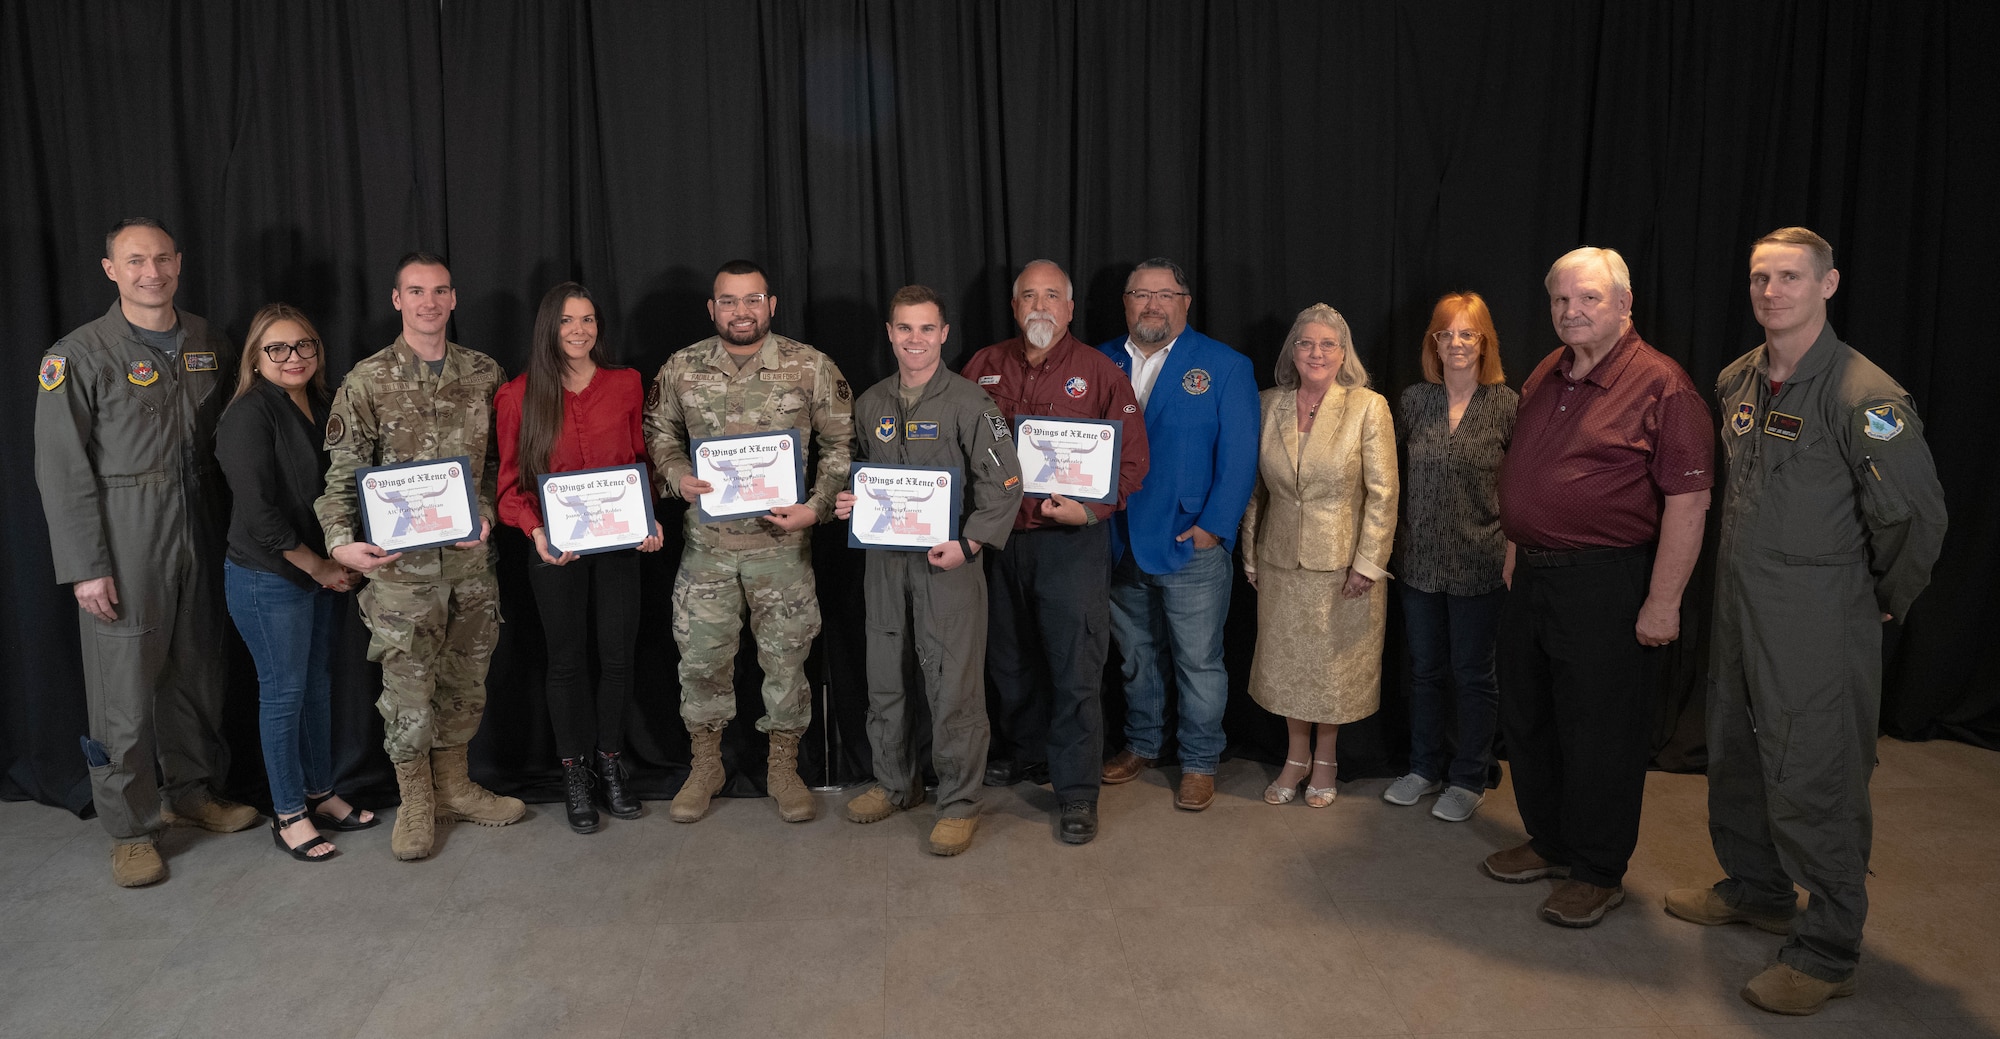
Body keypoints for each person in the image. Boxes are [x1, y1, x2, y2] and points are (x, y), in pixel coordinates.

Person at [1665, 228, 1946, 1015]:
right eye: (1760, 276)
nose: (1771, 291)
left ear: (1827, 285)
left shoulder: (1865, 396)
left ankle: (1828, 947)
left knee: (1813, 768)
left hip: (1820, 615)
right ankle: (1757, 886)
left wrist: (1882, 594)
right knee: (1736, 746)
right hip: (1741, 602)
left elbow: (1915, 518)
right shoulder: (1737, 381)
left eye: (1790, 276)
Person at [1490, 246, 1712, 927]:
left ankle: (1597, 869)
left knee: (1600, 733)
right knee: (1530, 717)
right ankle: (1552, 840)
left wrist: (1664, 600)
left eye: (1587, 298)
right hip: (1532, 574)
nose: (1571, 310)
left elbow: (1689, 501)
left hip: (1608, 582)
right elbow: (1524, 469)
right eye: (1561, 299)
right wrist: (1512, 544)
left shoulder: (1662, 386)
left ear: (1624, 303)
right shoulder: (1548, 371)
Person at [35, 218, 259, 888]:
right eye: (135, 261)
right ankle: (131, 827)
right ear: (111, 270)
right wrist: (85, 565)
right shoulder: (76, 355)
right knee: (123, 694)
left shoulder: (206, 341)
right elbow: (61, 467)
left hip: (200, 517)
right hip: (124, 529)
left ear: (179, 263)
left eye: (162, 259)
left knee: (198, 669)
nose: (151, 272)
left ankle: (192, 791)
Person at [316, 251, 524, 862]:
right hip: (400, 574)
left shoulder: (486, 373)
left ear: (453, 299)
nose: (429, 302)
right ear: (396, 300)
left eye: (439, 291)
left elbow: (496, 467)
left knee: (464, 683)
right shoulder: (368, 379)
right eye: (416, 291)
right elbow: (342, 474)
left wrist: (485, 513)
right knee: (407, 691)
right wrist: (337, 542)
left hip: (468, 567)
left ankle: (454, 787)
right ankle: (415, 802)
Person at [643, 259, 854, 825]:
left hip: (782, 551)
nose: (741, 312)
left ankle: (783, 768)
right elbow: (658, 432)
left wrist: (815, 508)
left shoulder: (810, 368)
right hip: (707, 551)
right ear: (712, 308)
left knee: (787, 664)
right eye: (729, 301)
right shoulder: (682, 368)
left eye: (752, 300)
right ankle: (706, 764)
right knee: (702, 663)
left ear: (772, 304)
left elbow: (840, 446)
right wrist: (675, 475)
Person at [963, 259, 1149, 844]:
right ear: (1014, 307)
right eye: (1027, 296)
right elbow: (954, 446)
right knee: (1008, 662)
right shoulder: (983, 368)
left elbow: (1133, 461)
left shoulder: (1100, 373)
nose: (1039, 306)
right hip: (998, 542)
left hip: (1070, 544)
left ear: (1070, 309)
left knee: (1075, 669)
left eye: (1052, 296)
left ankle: (1075, 791)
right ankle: (1028, 754)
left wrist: (1092, 510)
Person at [833, 285, 1023, 855]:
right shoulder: (869, 404)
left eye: (926, 329)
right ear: (890, 334)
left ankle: (959, 802)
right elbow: (863, 480)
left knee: (952, 688)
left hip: (949, 567)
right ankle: (896, 784)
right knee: (886, 678)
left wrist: (969, 545)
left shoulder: (970, 404)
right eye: (904, 329)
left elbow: (1006, 486)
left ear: (944, 334)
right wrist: (850, 502)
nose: (914, 340)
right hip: (885, 568)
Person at [496, 283, 665, 835]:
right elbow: (508, 490)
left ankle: (612, 763)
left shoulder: (626, 384)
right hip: (556, 550)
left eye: (589, 319)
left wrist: (648, 518)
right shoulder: (518, 396)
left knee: (618, 658)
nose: (579, 330)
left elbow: (643, 464)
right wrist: (536, 532)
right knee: (566, 661)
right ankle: (575, 773)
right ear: (549, 326)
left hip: (619, 547)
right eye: (568, 320)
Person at [1094, 258, 1259, 811]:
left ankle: (1199, 760)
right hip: (1118, 540)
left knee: (1198, 661)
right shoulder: (1099, 361)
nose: (1152, 304)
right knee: (1136, 656)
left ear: (1186, 301)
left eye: (1165, 294)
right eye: (1141, 293)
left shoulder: (1225, 366)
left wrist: (1214, 528)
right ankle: (1142, 743)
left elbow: (1238, 459)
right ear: (1126, 302)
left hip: (1190, 541)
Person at [215, 304, 374, 862]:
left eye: (304, 345)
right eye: (277, 349)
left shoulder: (328, 405)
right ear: (256, 359)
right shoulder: (247, 415)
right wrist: (321, 566)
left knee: (317, 688)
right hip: (270, 578)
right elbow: (259, 515)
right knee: (283, 695)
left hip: (323, 573)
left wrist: (345, 556)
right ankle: (287, 814)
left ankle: (320, 792)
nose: (293, 358)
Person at [1239, 304, 1397, 809]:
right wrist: (1250, 554)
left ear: (1344, 351)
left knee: (1331, 669)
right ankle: (1296, 757)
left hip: (1345, 565)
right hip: (1280, 559)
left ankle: (1326, 759)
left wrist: (1368, 563)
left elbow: (1384, 493)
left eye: (1328, 344)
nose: (1316, 352)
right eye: (1306, 343)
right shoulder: (1267, 404)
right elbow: (1254, 491)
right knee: (1287, 665)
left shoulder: (1368, 406)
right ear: (1292, 350)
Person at [1383, 293, 1517, 823]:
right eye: (1446, 334)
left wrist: (1512, 551)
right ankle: (1423, 768)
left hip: (1481, 561)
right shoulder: (1415, 400)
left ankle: (1468, 777)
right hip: (1418, 561)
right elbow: (1387, 474)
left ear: (1484, 343)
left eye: (1467, 334)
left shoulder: (1507, 403)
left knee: (1473, 673)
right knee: (1425, 672)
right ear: (1433, 343)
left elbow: (1520, 487)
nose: (1456, 344)